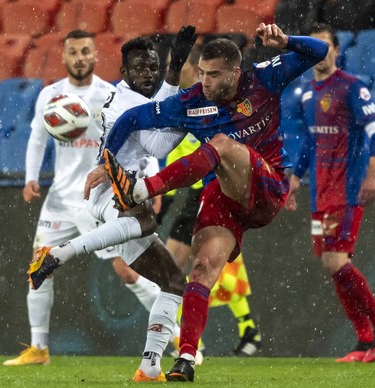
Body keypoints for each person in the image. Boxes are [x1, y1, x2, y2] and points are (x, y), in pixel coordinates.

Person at [95, 23, 329, 382]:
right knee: (201, 269)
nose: (204, 82)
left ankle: (141, 190)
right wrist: (104, 162)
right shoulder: (191, 102)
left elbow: (319, 52)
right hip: (223, 196)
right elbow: (130, 118)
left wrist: (285, 41)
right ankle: (185, 359)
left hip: (266, 188)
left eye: (213, 75)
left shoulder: (264, 79)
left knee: (220, 145)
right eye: (201, 73)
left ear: (235, 72)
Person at [27, 28, 198, 382]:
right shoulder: (125, 102)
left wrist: (173, 74)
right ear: (125, 73)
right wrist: (184, 98)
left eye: (152, 67)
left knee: (172, 281)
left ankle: (149, 367)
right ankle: (58, 254)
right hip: (113, 193)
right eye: (139, 69)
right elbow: (159, 145)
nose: (147, 74)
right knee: (146, 220)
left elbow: (159, 119)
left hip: (123, 191)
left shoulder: (128, 95)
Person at [3, 29, 168, 368]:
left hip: (103, 196)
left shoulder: (111, 94)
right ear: (64, 57)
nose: (79, 57)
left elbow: (141, 140)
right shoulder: (51, 94)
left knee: (127, 272)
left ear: (95, 56)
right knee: (40, 266)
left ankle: (176, 331)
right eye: (73, 51)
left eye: (85, 51)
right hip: (60, 200)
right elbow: (36, 138)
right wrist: (31, 178)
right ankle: (39, 348)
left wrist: (153, 183)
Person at [283, 23, 375, 363]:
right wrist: (296, 178)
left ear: (336, 50)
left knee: (336, 260)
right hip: (320, 193)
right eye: (313, 47)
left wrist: (373, 174)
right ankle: (364, 340)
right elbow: (309, 140)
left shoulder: (352, 88)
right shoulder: (306, 93)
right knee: (330, 262)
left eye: (325, 45)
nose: (320, 52)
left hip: (347, 190)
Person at [165, 46, 263, 357]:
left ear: (194, 68)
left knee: (193, 264)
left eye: (178, 64)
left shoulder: (212, 104)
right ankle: (239, 328)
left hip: (209, 189)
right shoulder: (183, 103)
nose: (174, 68)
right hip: (186, 192)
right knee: (195, 265)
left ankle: (187, 337)